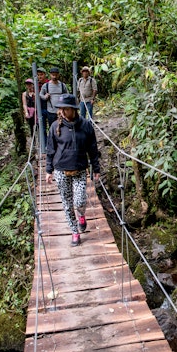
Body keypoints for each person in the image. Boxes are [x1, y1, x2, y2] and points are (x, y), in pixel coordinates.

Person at [45, 94, 101, 247]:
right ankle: (74, 231)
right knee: (67, 204)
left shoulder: (86, 125)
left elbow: (93, 149)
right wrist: (48, 170)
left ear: (74, 109)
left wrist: (96, 168)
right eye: (61, 109)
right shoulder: (55, 126)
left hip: (80, 169)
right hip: (61, 170)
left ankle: (81, 214)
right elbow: (50, 149)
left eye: (66, 109)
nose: (62, 111)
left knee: (80, 201)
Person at [39, 67, 69, 143]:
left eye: (56, 75)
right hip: (51, 111)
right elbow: (40, 94)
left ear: (58, 75)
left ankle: (62, 142)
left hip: (61, 111)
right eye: (53, 75)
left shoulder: (62, 85)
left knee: (63, 127)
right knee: (52, 127)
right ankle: (53, 143)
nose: (54, 77)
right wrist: (45, 97)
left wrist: (63, 100)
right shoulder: (46, 86)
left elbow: (67, 95)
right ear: (50, 75)